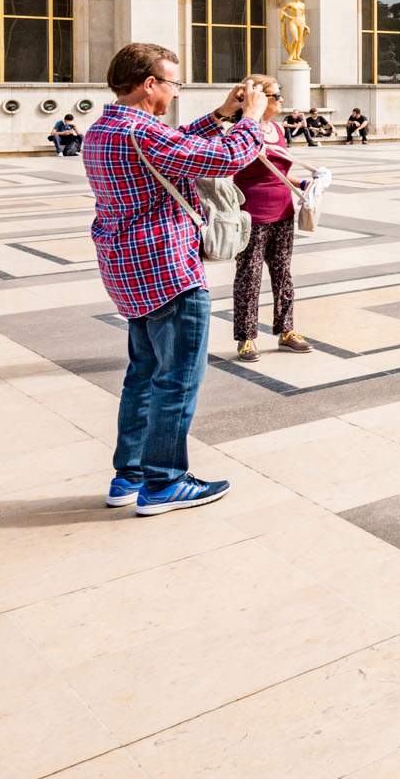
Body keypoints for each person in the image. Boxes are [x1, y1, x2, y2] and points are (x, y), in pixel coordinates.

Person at [83, 43, 261, 515]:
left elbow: (177, 145)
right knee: (177, 380)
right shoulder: (142, 132)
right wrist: (252, 120)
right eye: (173, 84)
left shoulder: (106, 128)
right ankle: (164, 483)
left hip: (130, 271)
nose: (176, 93)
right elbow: (222, 160)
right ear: (149, 84)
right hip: (167, 270)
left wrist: (221, 114)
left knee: (142, 375)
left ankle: (130, 475)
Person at [230, 75, 315, 363]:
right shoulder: (242, 131)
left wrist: (303, 185)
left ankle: (286, 330)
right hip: (252, 214)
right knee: (249, 277)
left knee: (283, 274)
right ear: (259, 98)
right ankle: (246, 337)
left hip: (283, 211)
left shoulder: (277, 129)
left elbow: (277, 170)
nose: (280, 100)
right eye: (276, 95)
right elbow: (230, 166)